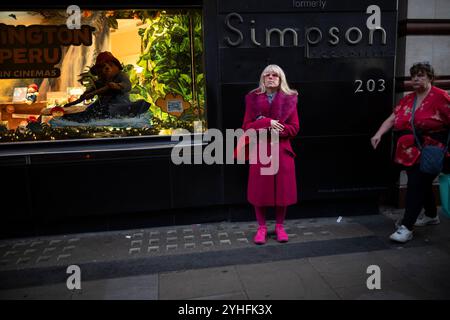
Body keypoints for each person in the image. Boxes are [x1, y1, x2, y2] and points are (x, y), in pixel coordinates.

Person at [371, 61, 450, 243]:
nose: (416, 78)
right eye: (413, 75)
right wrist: (378, 134)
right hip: (408, 152)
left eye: (421, 75)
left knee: (416, 185)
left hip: (430, 151)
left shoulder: (441, 97)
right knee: (420, 182)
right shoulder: (408, 98)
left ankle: (407, 227)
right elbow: (392, 119)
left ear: (430, 77)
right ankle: (431, 215)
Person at [240, 64, 299, 245]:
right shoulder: (252, 99)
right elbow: (246, 127)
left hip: (282, 152)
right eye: (267, 75)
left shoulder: (290, 100)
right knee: (260, 192)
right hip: (261, 151)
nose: (271, 77)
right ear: (262, 79)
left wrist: (276, 129)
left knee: (282, 191)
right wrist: (267, 122)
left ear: (281, 79)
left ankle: (280, 227)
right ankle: (262, 228)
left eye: (275, 75)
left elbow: (295, 128)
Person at [44, 51, 148, 123]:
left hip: (119, 102)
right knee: (90, 111)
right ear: (98, 70)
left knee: (111, 109)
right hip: (101, 104)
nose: (107, 68)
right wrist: (86, 94)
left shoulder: (121, 75)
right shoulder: (100, 81)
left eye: (110, 65)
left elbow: (127, 86)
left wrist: (117, 86)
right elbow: (93, 89)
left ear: (116, 67)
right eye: (103, 66)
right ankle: (74, 117)